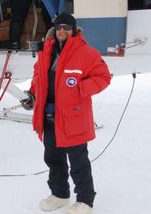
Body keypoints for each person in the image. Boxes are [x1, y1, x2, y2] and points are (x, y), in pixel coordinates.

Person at [21, 13, 111, 214]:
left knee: (78, 162)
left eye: (67, 27)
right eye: (59, 27)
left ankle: (85, 201)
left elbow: (103, 77)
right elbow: (38, 78)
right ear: (55, 30)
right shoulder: (46, 52)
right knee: (53, 159)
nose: (62, 31)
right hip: (49, 116)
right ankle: (60, 195)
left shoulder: (86, 53)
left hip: (73, 117)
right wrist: (33, 95)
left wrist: (80, 89)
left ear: (74, 30)